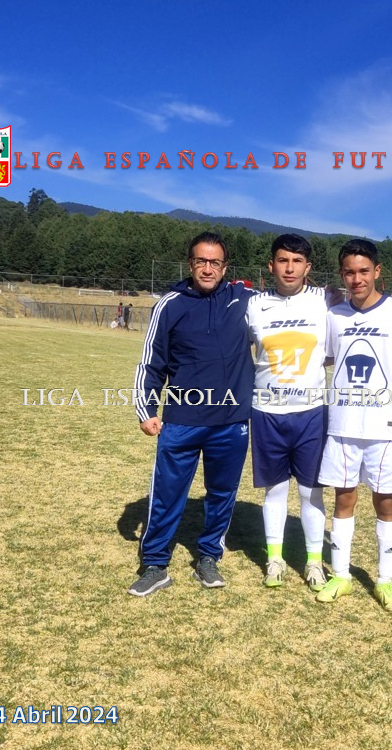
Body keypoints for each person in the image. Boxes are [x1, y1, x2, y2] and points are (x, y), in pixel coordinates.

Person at [128, 231, 254, 597]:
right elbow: (151, 362)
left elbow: (290, 301)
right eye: (201, 261)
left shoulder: (244, 300)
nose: (208, 269)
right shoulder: (170, 304)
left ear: (225, 267)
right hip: (182, 420)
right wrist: (146, 409)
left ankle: (209, 557)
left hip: (230, 421)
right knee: (167, 493)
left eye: (215, 262)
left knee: (222, 493)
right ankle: (155, 564)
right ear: (190, 263)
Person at [315, 239, 392, 613]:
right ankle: (341, 576)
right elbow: (323, 360)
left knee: (385, 502)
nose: (357, 279)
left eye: (364, 271)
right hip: (342, 424)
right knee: (343, 499)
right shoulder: (334, 315)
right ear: (341, 274)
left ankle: (385, 581)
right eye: (349, 272)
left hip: (384, 427)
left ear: (377, 271)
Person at [247, 234, 329, 591]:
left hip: (311, 412)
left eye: (297, 262)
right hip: (267, 412)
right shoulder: (254, 305)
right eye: (283, 260)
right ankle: (275, 559)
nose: (289, 268)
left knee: (312, 493)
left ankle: (314, 563)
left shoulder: (325, 301)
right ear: (271, 265)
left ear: (307, 267)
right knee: (275, 491)